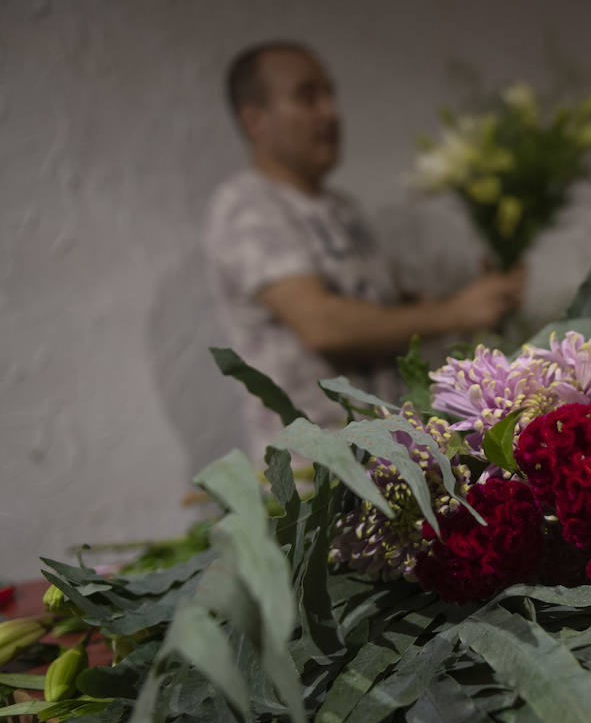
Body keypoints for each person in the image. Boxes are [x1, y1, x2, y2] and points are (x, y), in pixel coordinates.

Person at [204, 40, 525, 455]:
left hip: (388, 459)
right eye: (308, 97)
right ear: (255, 120)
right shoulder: (247, 206)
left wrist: (482, 300)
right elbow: (321, 325)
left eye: (330, 94)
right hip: (316, 476)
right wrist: (455, 312)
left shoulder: (342, 209)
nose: (330, 112)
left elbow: (389, 311)